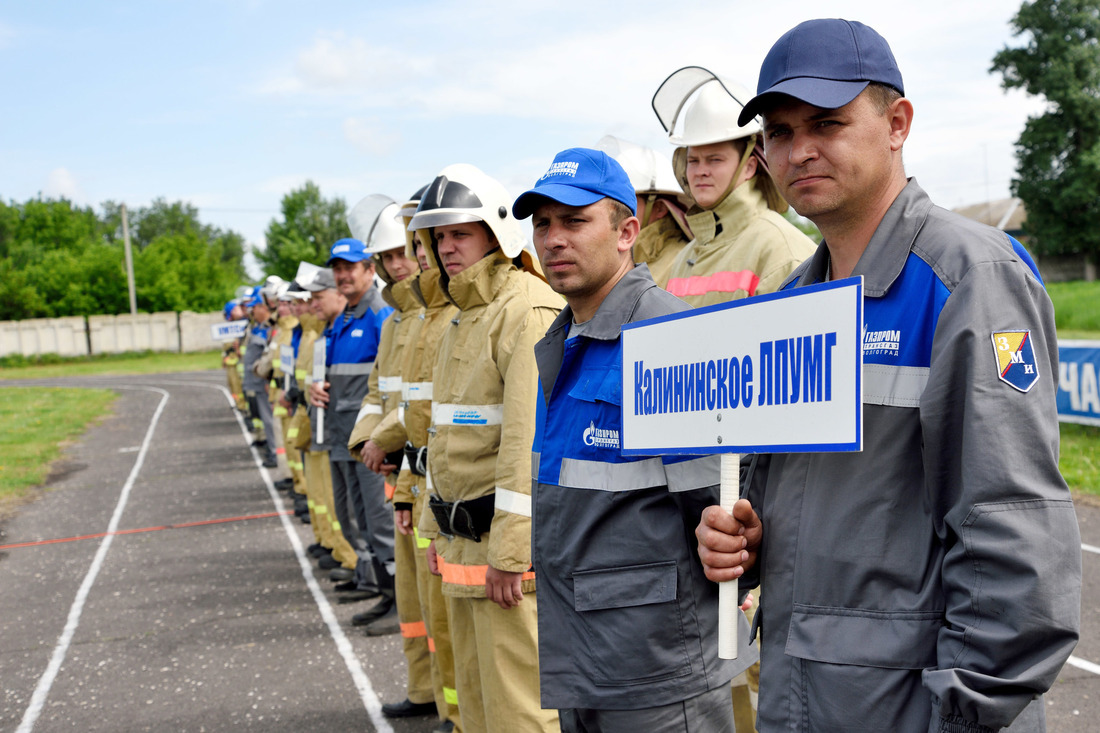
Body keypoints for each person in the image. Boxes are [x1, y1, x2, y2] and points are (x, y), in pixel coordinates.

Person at [695, 19, 1081, 733]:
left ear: (897, 123)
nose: (799, 149)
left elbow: (1012, 537)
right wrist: (746, 535)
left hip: (919, 711)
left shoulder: (970, 278)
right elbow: (806, 501)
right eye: (779, 131)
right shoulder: (789, 304)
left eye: (827, 122)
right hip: (803, 696)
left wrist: (966, 715)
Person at [511, 147, 754, 732]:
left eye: (574, 221)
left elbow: (726, 509)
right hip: (586, 658)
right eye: (542, 223)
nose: (553, 240)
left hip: (657, 673)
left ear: (626, 232)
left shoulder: (667, 338)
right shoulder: (566, 338)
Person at [409, 163, 562, 733]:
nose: (446, 248)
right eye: (438, 236)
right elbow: (441, 436)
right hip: (461, 546)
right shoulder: (462, 316)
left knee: (522, 713)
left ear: (497, 233)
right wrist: (433, 524)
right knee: (475, 709)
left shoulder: (527, 309)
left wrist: (509, 553)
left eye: (460, 233)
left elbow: (526, 443)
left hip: (504, 559)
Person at [652, 67, 816, 307]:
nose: (701, 171)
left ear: (749, 167)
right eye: (693, 161)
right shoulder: (685, 258)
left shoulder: (781, 248)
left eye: (715, 159)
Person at [308, 239, 397, 617]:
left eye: (351, 267)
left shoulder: (379, 314)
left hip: (367, 441)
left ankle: (397, 601)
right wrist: (316, 387)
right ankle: (375, 585)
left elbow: (390, 382)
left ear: (369, 270)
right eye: (338, 268)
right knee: (353, 518)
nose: (343, 275)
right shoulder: (345, 318)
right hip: (340, 434)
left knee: (379, 521)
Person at [596, 135, 694, 288]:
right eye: (610, 203)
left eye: (627, 202)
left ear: (660, 208)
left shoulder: (683, 262)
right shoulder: (614, 262)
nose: (614, 211)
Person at [241, 287, 279, 468]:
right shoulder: (258, 328)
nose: (251, 311)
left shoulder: (269, 330)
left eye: (254, 307)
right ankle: (273, 451)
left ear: (263, 308)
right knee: (265, 419)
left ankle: (274, 453)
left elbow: (270, 356)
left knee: (270, 419)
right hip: (256, 382)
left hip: (264, 383)